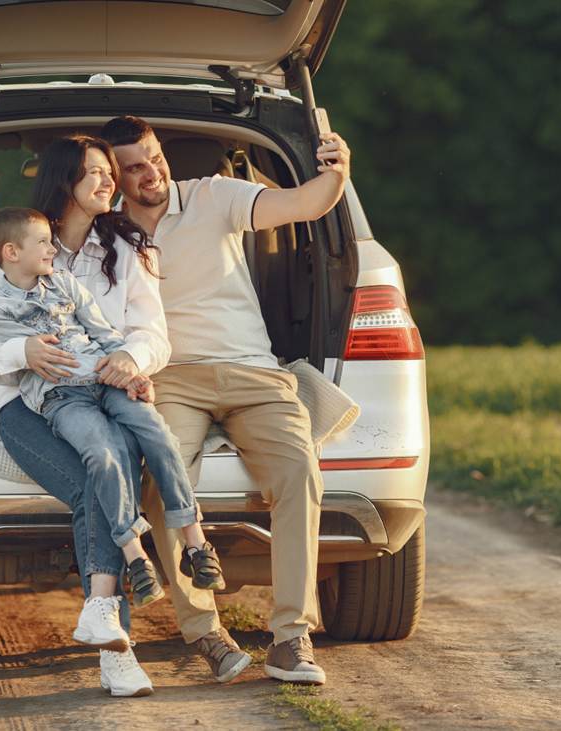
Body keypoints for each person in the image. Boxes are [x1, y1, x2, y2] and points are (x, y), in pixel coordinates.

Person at [94, 115, 351, 685]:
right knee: (164, 478)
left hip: (253, 373)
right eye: (133, 167)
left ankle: (291, 638)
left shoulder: (214, 195)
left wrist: (338, 171)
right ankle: (206, 634)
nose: (150, 173)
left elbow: (307, 203)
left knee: (299, 469)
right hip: (171, 378)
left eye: (154, 157)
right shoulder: (103, 234)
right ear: (112, 177)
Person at [0, 135, 173, 697]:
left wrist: (131, 361)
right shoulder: (25, 247)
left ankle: (103, 626)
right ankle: (116, 650)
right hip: (25, 405)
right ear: (66, 183)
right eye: (96, 173)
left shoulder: (128, 251)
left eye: (110, 171)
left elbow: (153, 333)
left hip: (100, 395)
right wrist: (25, 353)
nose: (111, 182)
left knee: (107, 474)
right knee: (96, 483)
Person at [0, 206, 225, 615]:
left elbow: (103, 333)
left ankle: (197, 544)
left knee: (159, 435)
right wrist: (23, 351)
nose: (51, 249)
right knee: (102, 454)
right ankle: (136, 557)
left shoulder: (64, 282)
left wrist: (131, 371)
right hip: (61, 398)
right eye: (42, 242)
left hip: (106, 380)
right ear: (11, 252)